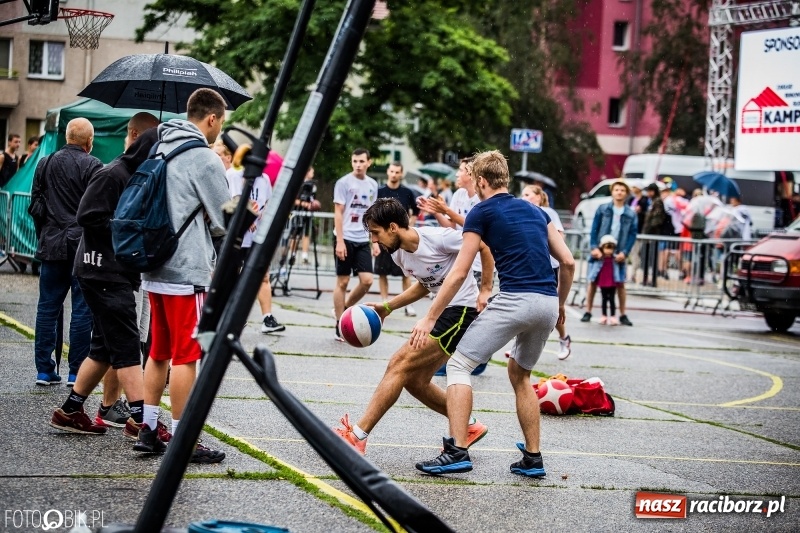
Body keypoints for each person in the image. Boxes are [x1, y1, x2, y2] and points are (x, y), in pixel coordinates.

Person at [412, 150, 575, 477]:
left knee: (459, 365)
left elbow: (458, 272)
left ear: (481, 181)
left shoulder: (480, 212)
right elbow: (568, 262)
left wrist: (430, 316)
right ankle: (533, 458)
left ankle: (457, 450)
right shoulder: (537, 210)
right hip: (545, 301)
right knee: (520, 374)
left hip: (516, 298)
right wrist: (559, 307)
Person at [334, 198, 495, 455]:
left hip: (461, 310)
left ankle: (357, 436)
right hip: (443, 310)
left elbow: (484, 246)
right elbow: (424, 284)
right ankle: (468, 426)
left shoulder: (439, 238)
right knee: (415, 381)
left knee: (398, 363)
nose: (374, 240)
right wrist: (388, 307)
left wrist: (486, 289)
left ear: (393, 227)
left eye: (376, 233)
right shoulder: (398, 254)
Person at [49, 116, 164, 439]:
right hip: (102, 271)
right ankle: (144, 422)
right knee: (128, 347)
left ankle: (70, 411)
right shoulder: (113, 173)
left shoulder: (137, 177)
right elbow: (87, 215)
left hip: (111, 272)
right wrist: (126, 228)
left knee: (101, 348)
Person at [137, 88, 230, 463]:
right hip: (185, 269)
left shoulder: (159, 145)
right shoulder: (204, 159)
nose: (220, 129)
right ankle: (183, 439)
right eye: (221, 122)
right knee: (186, 356)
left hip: (153, 265)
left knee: (157, 352)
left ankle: (147, 428)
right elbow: (224, 220)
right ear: (211, 118)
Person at [32, 119, 101, 387]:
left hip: (51, 243)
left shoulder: (45, 162)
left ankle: (44, 369)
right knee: (82, 309)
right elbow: (96, 209)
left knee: (47, 307)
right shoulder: (93, 165)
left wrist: (45, 232)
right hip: (82, 246)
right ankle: (76, 372)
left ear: (67, 136)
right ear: (89, 141)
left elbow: (36, 204)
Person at [419, 156, 491, 375]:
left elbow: (475, 227)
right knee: (455, 308)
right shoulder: (459, 195)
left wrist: (446, 210)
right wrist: (437, 212)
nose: (457, 175)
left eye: (460, 170)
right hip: (461, 259)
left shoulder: (481, 198)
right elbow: (451, 226)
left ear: (471, 174)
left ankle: (478, 359)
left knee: (474, 313)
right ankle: (455, 356)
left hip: (478, 263)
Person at [332, 148, 380, 340]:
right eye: (355, 161)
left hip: (362, 238)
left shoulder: (372, 184)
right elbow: (338, 212)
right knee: (342, 282)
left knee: (367, 280)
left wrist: (374, 241)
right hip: (345, 237)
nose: (358, 165)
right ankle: (339, 323)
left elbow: (372, 215)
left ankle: (345, 309)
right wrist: (340, 241)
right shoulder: (343, 182)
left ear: (369, 162)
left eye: (361, 161)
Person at [521, 184, 571, 359]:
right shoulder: (524, 212)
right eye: (522, 194)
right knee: (527, 304)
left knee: (552, 309)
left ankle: (564, 338)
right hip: (530, 264)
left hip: (550, 265)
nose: (523, 197)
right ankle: (521, 345)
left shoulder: (548, 212)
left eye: (527, 194)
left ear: (539, 197)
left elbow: (559, 239)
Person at [580, 180, 636, 326]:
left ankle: (623, 314)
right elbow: (594, 228)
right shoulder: (603, 208)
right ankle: (588, 311)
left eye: (622, 190)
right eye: (616, 189)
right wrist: (594, 247)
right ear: (612, 191)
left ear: (626, 193)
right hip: (601, 249)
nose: (619, 192)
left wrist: (625, 252)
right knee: (593, 281)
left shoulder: (630, 213)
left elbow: (632, 234)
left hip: (618, 252)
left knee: (620, 283)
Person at [375, 161, 419, 316]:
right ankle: (384, 302)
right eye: (391, 171)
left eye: (396, 172)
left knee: (406, 273)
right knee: (382, 272)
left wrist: (410, 224)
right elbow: (372, 217)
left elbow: (416, 210)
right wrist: (373, 242)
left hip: (401, 239)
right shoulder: (379, 191)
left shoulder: (407, 192)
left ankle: (408, 306)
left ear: (401, 174)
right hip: (382, 238)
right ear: (388, 172)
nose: (394, 174)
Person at [588, 235, 623, 325]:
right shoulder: (599, 258)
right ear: (602, 247)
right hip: (603, 282)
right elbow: (590, 260)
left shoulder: (615, 259)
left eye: (610, 248)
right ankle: (604, 315)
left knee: (611, 299)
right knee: (604, 299)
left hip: (612, 282)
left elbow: (622, 265)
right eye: (606, 247)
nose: (608, 250)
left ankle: (613, 316)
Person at [627, 184, 649, 283]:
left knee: (636, 254)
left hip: (639, 231)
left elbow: (645, 215)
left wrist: (640, 211)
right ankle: (630, 274)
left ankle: (633, 274)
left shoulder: (644, 201)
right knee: (631, 254)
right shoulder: (631, 199)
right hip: (630, 230)